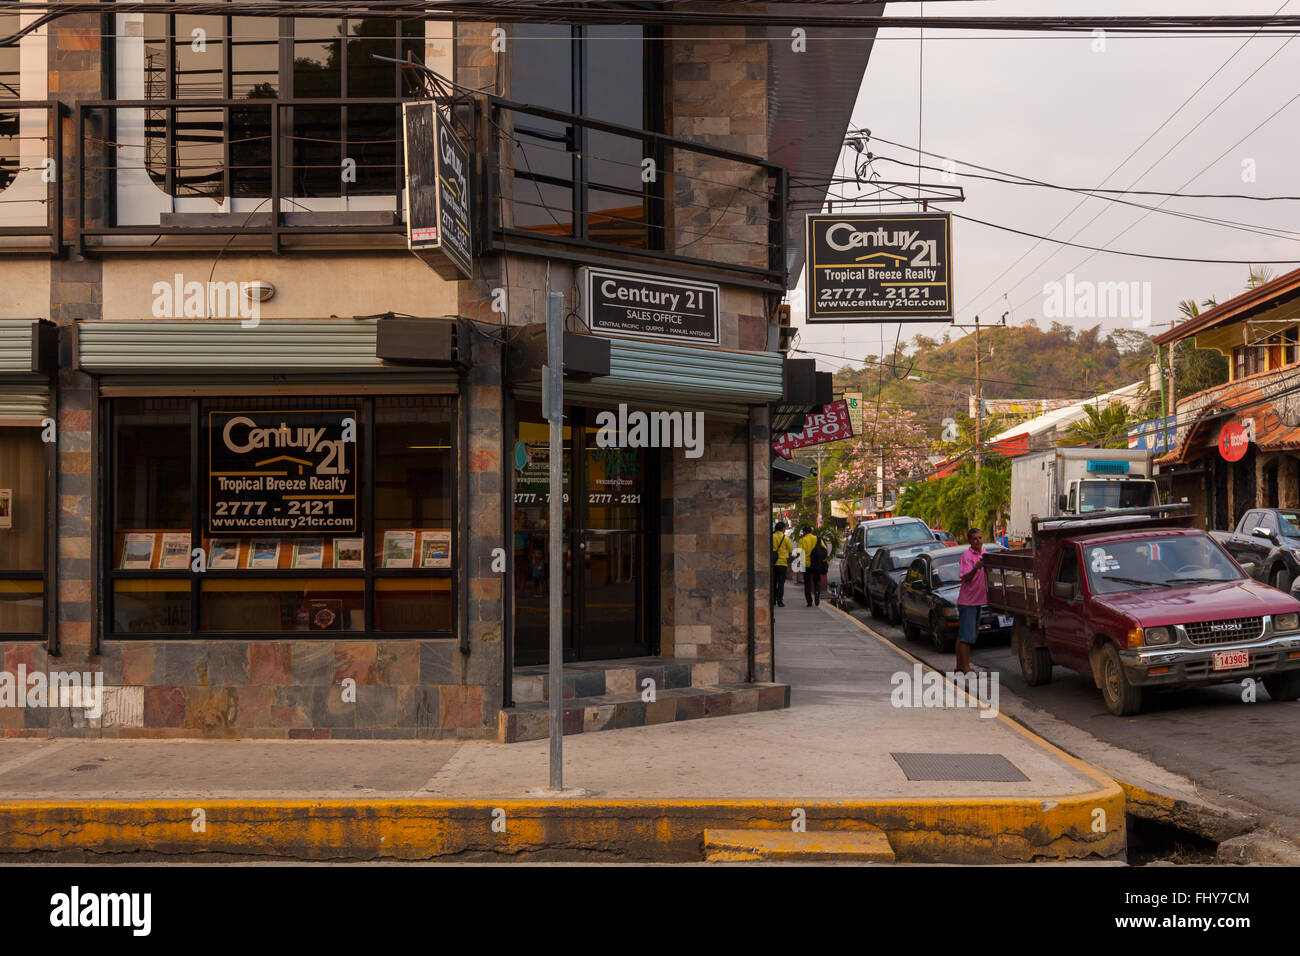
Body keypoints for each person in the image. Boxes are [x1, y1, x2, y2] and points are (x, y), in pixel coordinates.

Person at [956, 527, 988, 674]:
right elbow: (966, 578)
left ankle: (959, 666)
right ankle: (967, 669)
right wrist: (975, 568)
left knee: (964, 635)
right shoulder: (966, 557)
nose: (978, 541)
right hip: (968, 602)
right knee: (966, 637)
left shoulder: (985, 554)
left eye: (980, 538)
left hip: (977, 601)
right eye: (975, 538)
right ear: (969, 541)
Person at [771, 521, 793, 607]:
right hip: (782, 563)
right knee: (781, 583)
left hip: (773, 563)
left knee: (773, 582)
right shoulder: (786, 538)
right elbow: (790, 551)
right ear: (783, 529)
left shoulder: (771, 537)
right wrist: (789, 560)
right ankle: (780, 601)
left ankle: (773, 600)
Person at [797, 525, 819, 606]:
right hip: (816, 563)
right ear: (811, 531)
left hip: (805, 564)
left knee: (807, 583)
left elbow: (799, 552)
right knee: (816, 580)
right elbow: (824, 549)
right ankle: (817, 592)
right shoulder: (817, 538)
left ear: (804, 532)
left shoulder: (802, 540)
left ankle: (809, 601)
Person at [809, 534, 830, 606]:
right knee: (817, 581)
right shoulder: (823, 548)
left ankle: (813, 595)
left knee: (813, 580)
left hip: (813, 566)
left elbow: (811, 559)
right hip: (820, 567)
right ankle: (817, 592)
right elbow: (826, 556)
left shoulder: (813, 550)